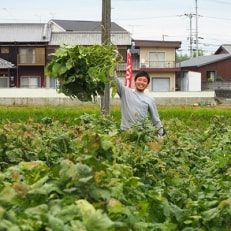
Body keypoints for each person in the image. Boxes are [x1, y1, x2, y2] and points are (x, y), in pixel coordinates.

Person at [113, 70, 165, 137]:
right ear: (135, 81)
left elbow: (155, 119)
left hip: (141, 135)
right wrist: (113, 69)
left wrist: (161, 134)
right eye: (139, 80)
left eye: (144, 81)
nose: (141, 82)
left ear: (147, 85)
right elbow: (115, 81)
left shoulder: (150, 99)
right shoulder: (125, 92)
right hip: (125, 132)